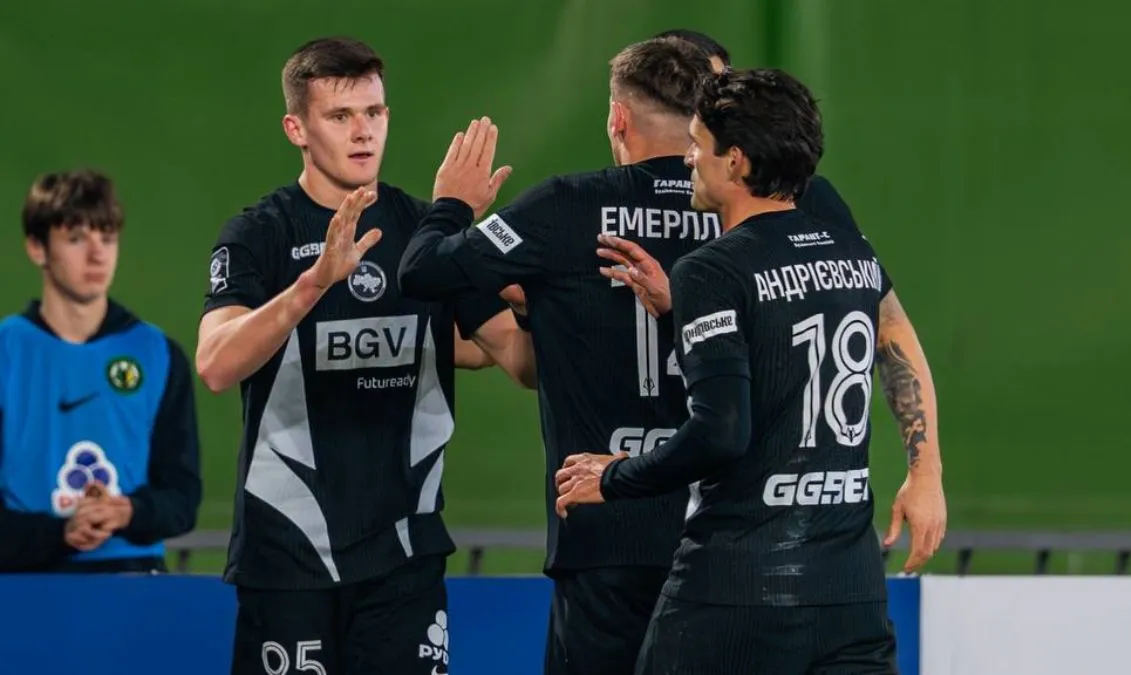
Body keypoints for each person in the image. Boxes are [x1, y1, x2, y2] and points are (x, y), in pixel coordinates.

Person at [555, 68, 946, 674]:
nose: (688, 158)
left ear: (734, 161)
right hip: (851, 592)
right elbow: (853, 344)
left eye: (697, 144)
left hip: (736, 591)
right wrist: (926, 472)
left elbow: (721, 433)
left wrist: (615, 476)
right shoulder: (854, 254)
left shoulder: (711, 269)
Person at [195, 37, 533, 675]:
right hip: (289, 555)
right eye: (340, 115)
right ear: (297, 129)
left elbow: (517, 361)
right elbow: (215, 364)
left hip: (404, 557)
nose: (362, 132)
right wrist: (314, 284)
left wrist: (532, 300)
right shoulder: (259, 234)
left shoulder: (426, 233)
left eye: (374, 112)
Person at [397, 38, 718, 675]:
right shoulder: (740, 210)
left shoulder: (567, 206)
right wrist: (532, 304)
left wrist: (454, 205)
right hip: (719, 533)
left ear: (618, 118)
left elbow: (423, 270)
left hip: (603, 530)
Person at [609, 29, 945, 571]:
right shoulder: (621, 200)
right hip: (648, 504)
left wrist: (925, 472)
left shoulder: (804, 203)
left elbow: (888, 326)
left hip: (743, 519)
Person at [0, 169, 202, 573]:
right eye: (76, 239)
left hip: (133, 579)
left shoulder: (159, 355)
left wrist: (129, 511)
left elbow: (181, 499)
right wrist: (59, 534)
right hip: (24, 586)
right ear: (37, 248)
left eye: (107, 238)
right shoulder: (8, 351)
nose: (97, 255)